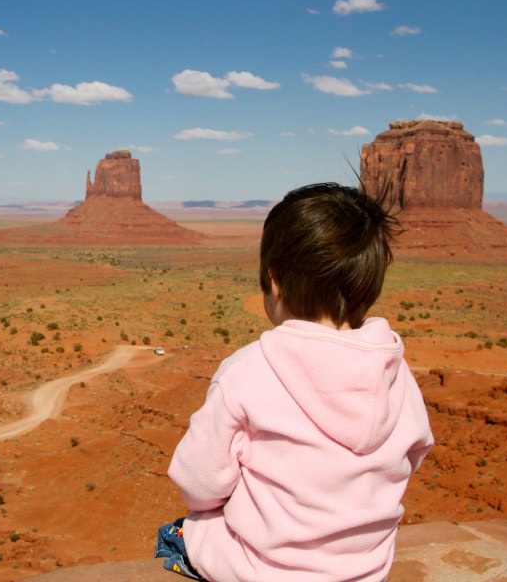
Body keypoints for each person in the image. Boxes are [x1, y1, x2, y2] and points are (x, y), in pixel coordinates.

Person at [157, 183, 434, 581]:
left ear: (274, 283)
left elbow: (199, 483)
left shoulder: (248, 369)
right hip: (365, 569)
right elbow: (414, 454)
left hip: (262, 570)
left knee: (178, 535)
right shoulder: (396, 370)